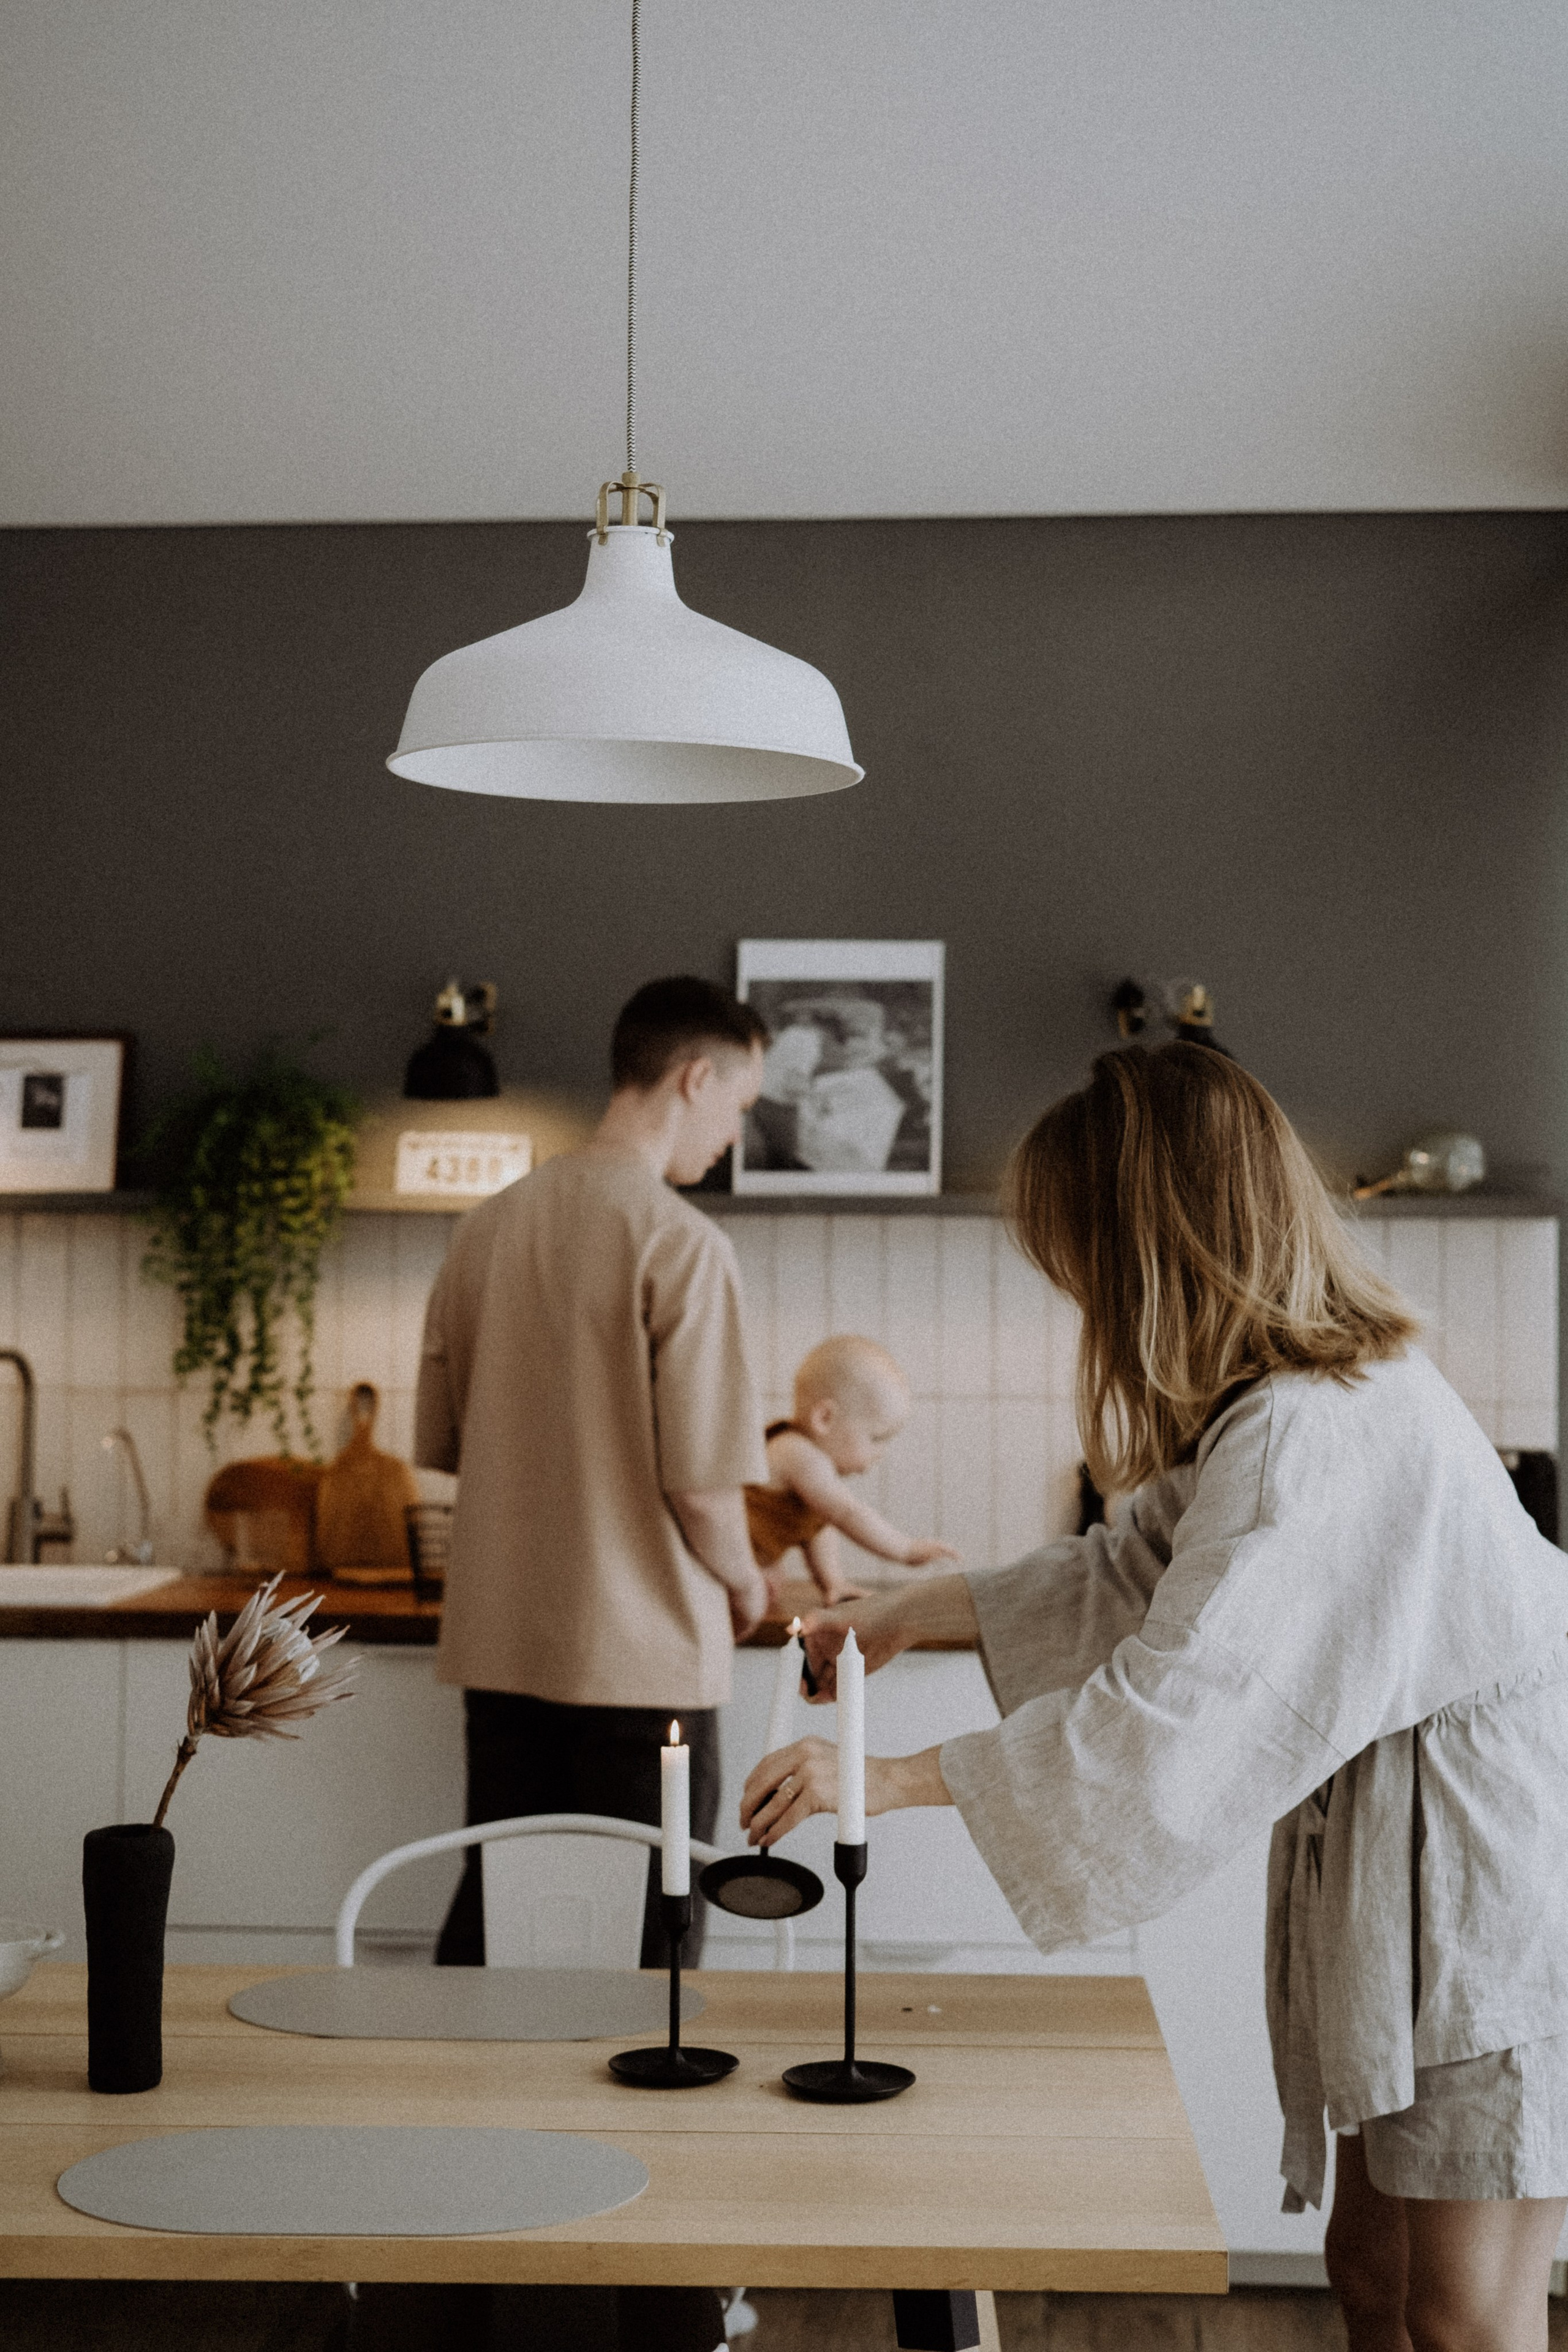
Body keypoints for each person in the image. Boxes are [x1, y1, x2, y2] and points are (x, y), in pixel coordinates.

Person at [742, 1042, 1568, 2352]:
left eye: (1080, 1253)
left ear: (1153, 1247)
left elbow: (1182, 1698)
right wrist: (903, 1606)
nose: (1071, 1284)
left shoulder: (1318, 1427)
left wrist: (893, 1777)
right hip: (1406, 1852)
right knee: (1368, 2265)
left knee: (1466, 2309)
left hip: (1487, 1867)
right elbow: (1134, 1567)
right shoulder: (1278, 1405)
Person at [415, 974, 773, 1984]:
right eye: (739, 1108)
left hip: (502, 1650)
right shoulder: (683, 1245)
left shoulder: (482, 1229)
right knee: (642, 1956)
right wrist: (747, 1582)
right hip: (645, 1663)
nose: (731, 1138)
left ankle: (484, 2134)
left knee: (502, 1930)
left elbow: (446, 1441)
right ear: (697, 1077)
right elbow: (703, 1486)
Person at [743, 1335, 959, 1602]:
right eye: (876, 1438)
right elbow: (847, 1513)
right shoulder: (796, 1452)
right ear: (825, 1418)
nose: (880, 1453)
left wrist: (833, 1583)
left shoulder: (810, 1470)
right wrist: (905, 1550)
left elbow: (820, 1527)